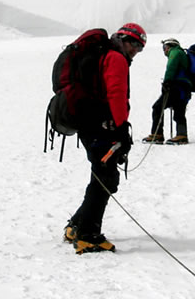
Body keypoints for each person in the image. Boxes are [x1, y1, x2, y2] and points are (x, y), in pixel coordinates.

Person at [64, 22, 146, 254]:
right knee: (105, 179)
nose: (135, 51)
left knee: (102, 178)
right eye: (134, 45)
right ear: (123, 39)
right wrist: (121, 128)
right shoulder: (116, 58)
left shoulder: (103, 55)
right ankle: (87, 235)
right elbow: (116, 93)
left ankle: (77, 226)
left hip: (90, 126)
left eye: (139, 48)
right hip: (102, 128)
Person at [142, 38, 191, 145]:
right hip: (184, 88)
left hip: (176, 86)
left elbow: (171, 67)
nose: (164, 51)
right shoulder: (181, 53)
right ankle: (182, 135)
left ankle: (157, 134)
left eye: (164, 48)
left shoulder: (175, 52)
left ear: (170, 46)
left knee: (158, 107)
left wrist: (167, 82)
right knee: (179, 110)